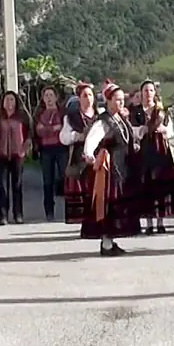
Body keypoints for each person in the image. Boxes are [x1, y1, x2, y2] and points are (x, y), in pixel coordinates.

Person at [82, 83, 142, 255]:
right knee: (108, 206)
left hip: (123, 167)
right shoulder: (104, 121)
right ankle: (106, 243)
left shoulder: (120, 119)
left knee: (118, 205)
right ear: (108, 101)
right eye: (117, 100)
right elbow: (92, 138)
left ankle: (110, 241)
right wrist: (89, 153)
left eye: (122, 99)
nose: (121, 103)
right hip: (110, 170)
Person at [129, 80, 174, 234]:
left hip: (160, 150)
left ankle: (160, 222)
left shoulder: (161, 111)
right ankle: (149, 223)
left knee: (161, 185)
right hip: (144, 151)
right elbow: (132, 130)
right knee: (147, 186)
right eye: (145, 90)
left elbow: (171, 131)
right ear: (141, 93)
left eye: (151, 90)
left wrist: (163, 130)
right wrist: (142, 129)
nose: (148, 93)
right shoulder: (136, 111)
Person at [0, 90, 31, 225]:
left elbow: (29, 134)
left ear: (16, 101)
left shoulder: (22, 116)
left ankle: (18, 215)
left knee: (17, 186)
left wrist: (24, 149)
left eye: (12, 99)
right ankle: (3, 216)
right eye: (7, 100)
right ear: (3, 102)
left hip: (18, 156)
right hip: (2, 156)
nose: (9, 102)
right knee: (3, 187)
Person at [60, 82, 99, 224]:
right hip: (78, 157)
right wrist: (77, 136)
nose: (88, 98)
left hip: (97, 157)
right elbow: (63, 138)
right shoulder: (71, 117)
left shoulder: (100, 115)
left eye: (90, 95)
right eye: (85, 95)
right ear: (79, 98)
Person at [33, 86, 67, 221]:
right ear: (43, 98)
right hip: (46, 150)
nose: (49, 98)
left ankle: (69, 209)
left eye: (51, 95)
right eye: (46, 95)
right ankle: (49, 211)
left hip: (61, 148)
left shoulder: (62, 113)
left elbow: (63, 128)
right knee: (48, 181)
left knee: (65, 179)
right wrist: (53, 129)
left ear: (56, 97)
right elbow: (38, 131)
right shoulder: (39, 114)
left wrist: (46, 129)